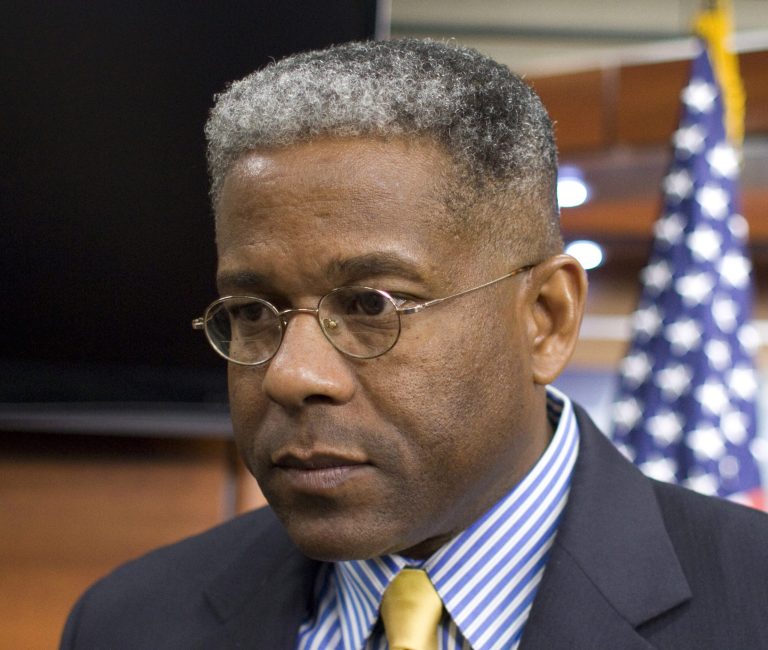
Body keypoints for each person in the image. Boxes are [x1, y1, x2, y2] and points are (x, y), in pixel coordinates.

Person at [61, 39, 768, 649]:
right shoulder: (131, 623)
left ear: (546, 318)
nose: (290, 374)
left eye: (371, 304)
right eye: (253, 311)